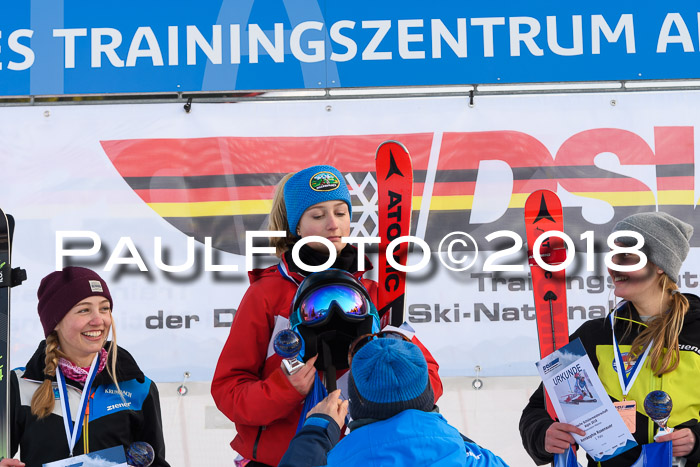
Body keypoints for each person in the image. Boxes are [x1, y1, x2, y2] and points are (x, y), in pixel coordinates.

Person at [211, 165, 443, 467]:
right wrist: (284, 390)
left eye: (341, 212)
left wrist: (388, 375)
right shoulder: (266, 296)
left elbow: (431, 381)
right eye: (318, 216)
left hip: (363, 457)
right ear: (296, 227)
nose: (333, 225)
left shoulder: (373, 293)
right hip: (279, 461)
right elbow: (229, 392)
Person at [520, 212, 700, 466]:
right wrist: (544, 434)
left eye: (626, 256)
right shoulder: (594, 335)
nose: (614, 265)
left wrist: (696, 441)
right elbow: (538, 409)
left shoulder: (697, 331)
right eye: (612, 255)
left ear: (660, 265)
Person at [2, 267, 169, 467]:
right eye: (84, 310)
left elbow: (155, 463)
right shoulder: (19, 386)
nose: (99, 320)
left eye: (104, 308)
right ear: (55, 321)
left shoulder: (138, 387)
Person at [278, 336, 509, 467]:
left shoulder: (339, 461)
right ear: (428, 394)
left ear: (354, 401)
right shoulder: (479, 460)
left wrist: (317, 430)